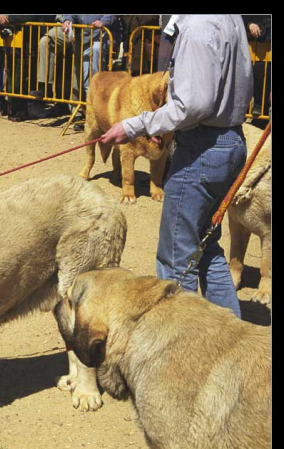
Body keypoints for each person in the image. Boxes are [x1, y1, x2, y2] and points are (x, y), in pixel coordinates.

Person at [100, 15, 253, 318]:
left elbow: (192, 106)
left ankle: (181, 348)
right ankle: (230, 338)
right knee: (207, 248)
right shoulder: (229, 17)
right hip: (228, 141)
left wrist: (135, 125)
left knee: (175, 258)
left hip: (202, 148)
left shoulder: (197, 26)